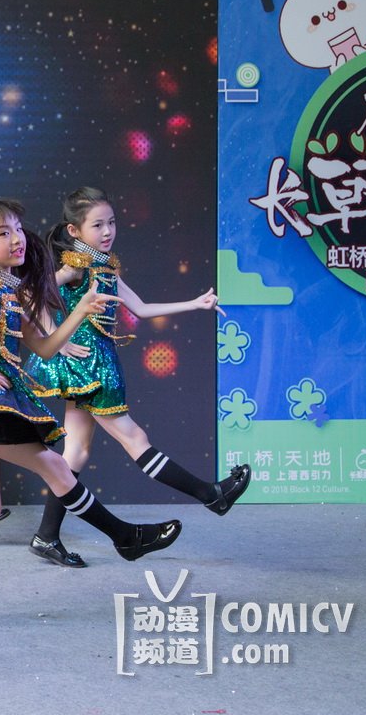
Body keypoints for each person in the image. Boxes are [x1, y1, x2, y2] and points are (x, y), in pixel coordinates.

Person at [0, 199, 182, 622]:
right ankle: (125, 537)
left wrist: (79, 311)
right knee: (56, 467)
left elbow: (43, 347)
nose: (17, 239)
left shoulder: (8, 289)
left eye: (18, 229)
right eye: (3, 233)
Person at [23, 186, 249, 567]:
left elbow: (141, 309)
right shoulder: (75, 267)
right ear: (74, 230)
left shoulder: (105, 266)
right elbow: (32, 295)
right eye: (98, 225)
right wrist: (56, 341)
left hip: (98, 364)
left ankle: (46, 535)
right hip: (91, 368)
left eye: (111, 222)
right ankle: (212, 495)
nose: (108, 231)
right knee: (135, 438)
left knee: (76, 452)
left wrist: (195, 303)